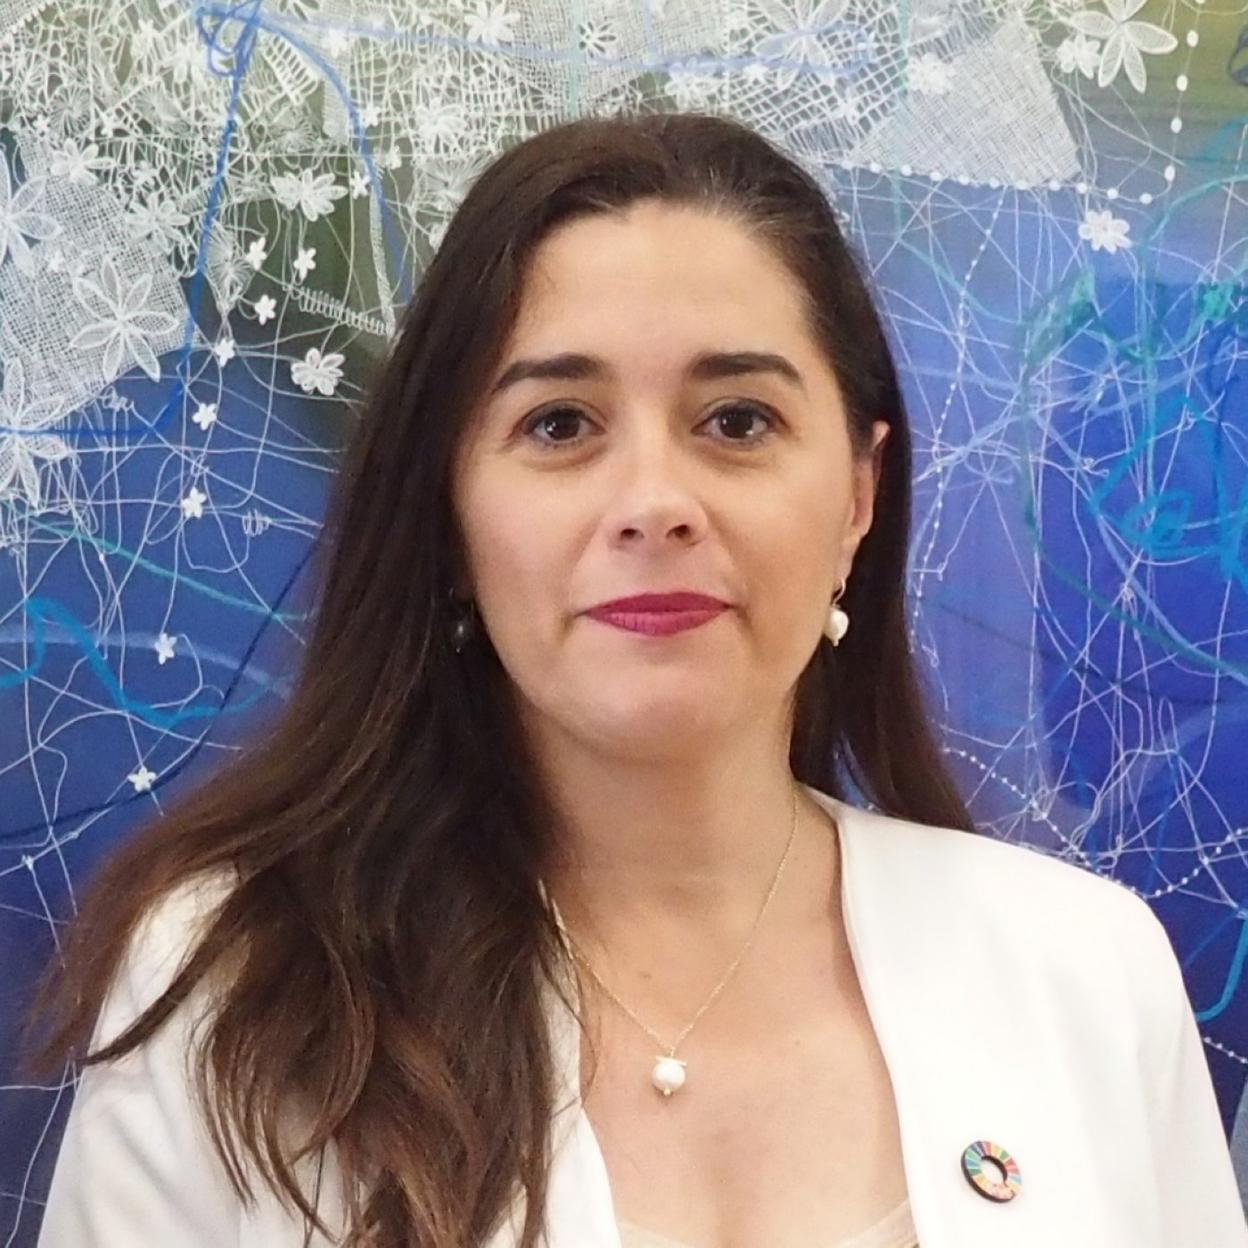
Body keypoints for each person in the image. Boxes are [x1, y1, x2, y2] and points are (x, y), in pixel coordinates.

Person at [23, 110, 1245, 1248]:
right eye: (560, 425)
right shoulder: (241, 988)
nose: (655, 504)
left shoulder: (1087, 973)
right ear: (450, 513)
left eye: (737, 421)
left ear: (859, 495)